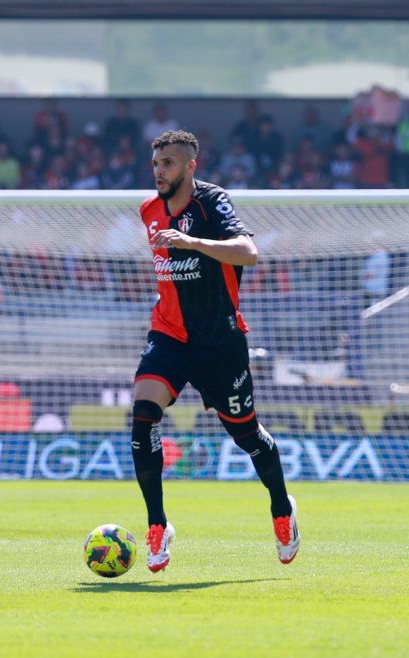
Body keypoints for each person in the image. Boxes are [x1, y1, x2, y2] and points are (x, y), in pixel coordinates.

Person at [133, 129, 299, 572]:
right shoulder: (149, 210)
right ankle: (157, 525)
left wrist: (192, 243)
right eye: (155, 164)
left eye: (168, 163)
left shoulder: (211, 201)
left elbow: (248, 253)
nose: (159, 171)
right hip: (169, 334)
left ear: (191, 166)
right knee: (143, 413)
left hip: (220, 341)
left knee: (246, 436)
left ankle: (282, 509)